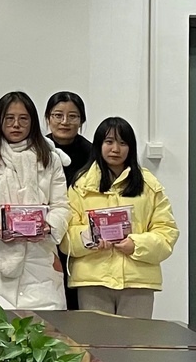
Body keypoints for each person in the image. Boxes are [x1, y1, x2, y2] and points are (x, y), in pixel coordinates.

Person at [61, 117, 178, 318]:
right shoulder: (80, 186)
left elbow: (166, 232)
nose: (115, 149)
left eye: (123, 143)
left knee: (135, 338)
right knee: (96, 338)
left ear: (131, 147)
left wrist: (136, 244)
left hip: (138, 281)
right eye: (109, 142)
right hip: (93, 279)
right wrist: (90, 238)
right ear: (98, 145)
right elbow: (65, 238)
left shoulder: (149, 185)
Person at [0, 91, 70, 310]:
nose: (16, 125)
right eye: (9, 118)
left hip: (38, 258)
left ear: (32, 122)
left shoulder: (50, 159)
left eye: (23, 119)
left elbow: (61, 205)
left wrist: (49, 225)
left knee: (43, 327)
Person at [45, 90, 92, 310]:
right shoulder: (37, 149)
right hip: (45, 232)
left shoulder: (92, 154)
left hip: (78, 236)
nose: (65, 122)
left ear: (81, 120)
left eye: (73, 116)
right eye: (58, 115)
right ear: (48, 118)